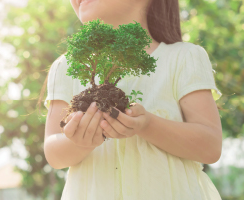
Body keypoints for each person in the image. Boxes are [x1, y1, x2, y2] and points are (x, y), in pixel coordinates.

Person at [38, 0, 223, 199]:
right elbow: (53, 153)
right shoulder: (66, 66)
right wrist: (80, 141)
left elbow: (210, 147)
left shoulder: (184, 57)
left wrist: (148, 125)